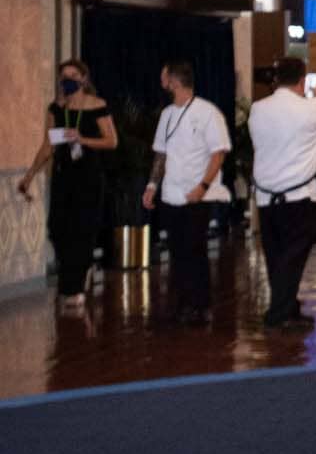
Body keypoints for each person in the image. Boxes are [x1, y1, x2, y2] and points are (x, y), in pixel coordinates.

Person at [15, 55, 116, 309]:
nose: (67, 81)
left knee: (82, 231)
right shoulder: (56, 110)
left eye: (73, 76)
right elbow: (47, 146)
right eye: (64, 77)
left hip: (89, 177)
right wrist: (29, 176)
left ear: (83, 79)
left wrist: (82, 139)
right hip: (63, 177)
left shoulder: (97, 105)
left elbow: (111, 141)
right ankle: (70, 282)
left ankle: (74, 287)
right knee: (59, 229)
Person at [246, 57, 316, 328]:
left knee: (276, 255)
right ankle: (279, 313)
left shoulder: (257, 108)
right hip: (299, 197)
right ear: (302, 79)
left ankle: (287, 307)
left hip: (265, 196)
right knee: (292, 256)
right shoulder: (312, 108)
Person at [141, 60, 231, 325]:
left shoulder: (207, 112)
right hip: (171, 194)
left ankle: (199, 304)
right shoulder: (167, 114)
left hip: (197, 194)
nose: (161, 82)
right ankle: (181, 303)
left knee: (195, 250)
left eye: (164, 77)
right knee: (178, 252)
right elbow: (161, 153)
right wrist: (152, 186)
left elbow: (219, 153)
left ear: (174, 81)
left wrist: (202, 186)